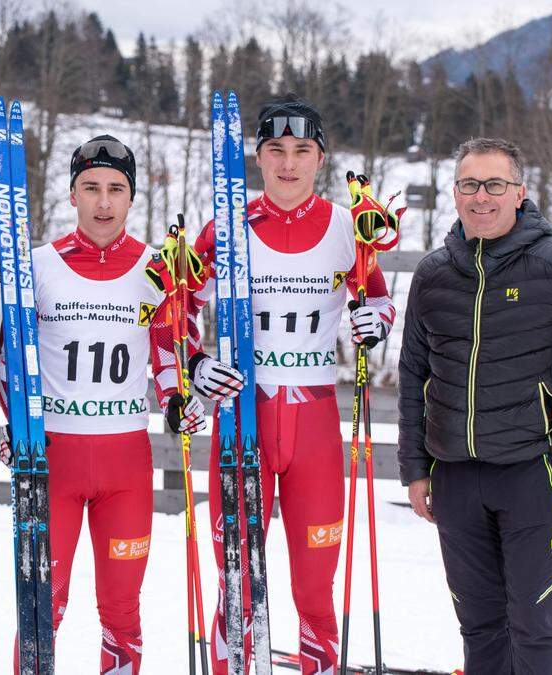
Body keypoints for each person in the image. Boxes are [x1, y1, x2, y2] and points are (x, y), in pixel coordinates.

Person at [152, 93, 397, 674]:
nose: (289, 163)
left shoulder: (348, 229)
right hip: (245, 415)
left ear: (320, 159)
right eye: (276, 150)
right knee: (235, 575)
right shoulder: (228, 229)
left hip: (313, 420)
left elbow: (378, 298)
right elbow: (173, 307)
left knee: (316, 580)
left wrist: (373, 323)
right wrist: (193, 366)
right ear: (258, 158)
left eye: (302, 151)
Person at [0, 135, 243, 674]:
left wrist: (178, 399)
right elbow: (7, 363)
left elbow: (169, 353)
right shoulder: (37, 266)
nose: (103, 202)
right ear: (72, 195)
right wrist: (16, 424)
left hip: (126, 463)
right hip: (53, 458)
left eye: (115, 189)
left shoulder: (157, 270)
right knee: (42, 611)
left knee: (122, 612)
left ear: (131, 198)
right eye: (91, 188)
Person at [398, 137, 552, 672]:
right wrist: (414, 468)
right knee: (479, 627)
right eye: (470, 185)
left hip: (531, 474)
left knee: (535, 627)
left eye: (495, 184)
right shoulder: (433, 275)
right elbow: (413, 377)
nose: (483, 197)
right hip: (454, 477)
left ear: (519, 192)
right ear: (455, 195)